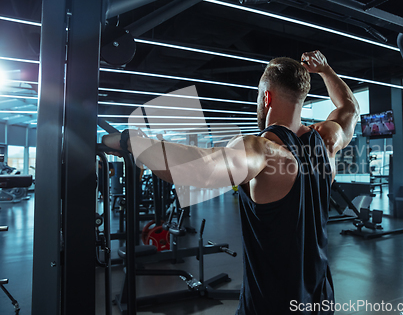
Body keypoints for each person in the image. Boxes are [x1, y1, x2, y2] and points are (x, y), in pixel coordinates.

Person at [103, 50, 359, 314]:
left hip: (271, 307)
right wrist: (326, 70)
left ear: (266, 97)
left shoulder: (263, 149)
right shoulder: (327, 141)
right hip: (321, 299)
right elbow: (349, 107)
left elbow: (200, 170)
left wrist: (132, 142)